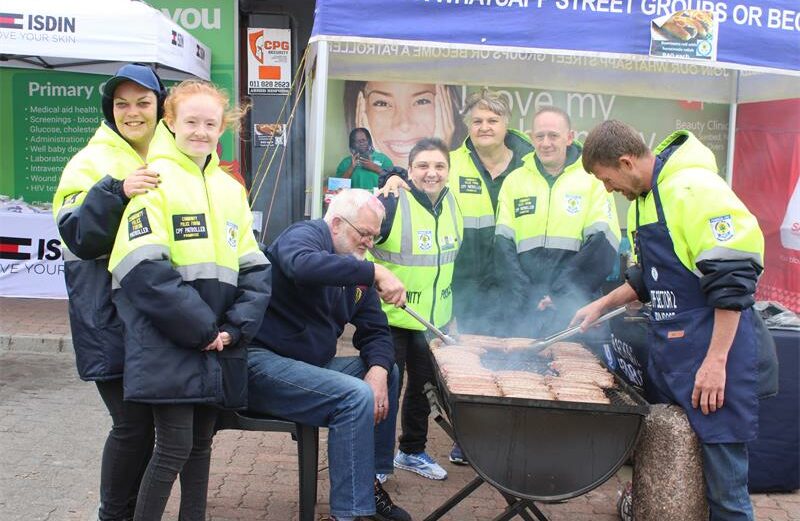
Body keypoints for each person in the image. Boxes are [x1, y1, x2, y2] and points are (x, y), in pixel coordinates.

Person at [572, 120, 778, 521]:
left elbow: (733, 279)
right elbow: (649, 275)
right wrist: (603, 304)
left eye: (606, 179)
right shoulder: (645, 201)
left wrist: (716, 363)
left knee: (727, 493)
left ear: (626, 162)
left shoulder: (695, 189)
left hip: (717, 356)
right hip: (679, 354)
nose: (607, 189)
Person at [107, 80, 271, 521]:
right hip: (168, 341)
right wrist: (203, 330)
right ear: (170, 122)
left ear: (223, 128)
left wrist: (233, 329)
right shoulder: (154, 181)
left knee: (201, 445)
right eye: (191, 121)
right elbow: (141, 268)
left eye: (210, 123)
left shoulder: (230, 189)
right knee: (174, 446)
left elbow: (255, 267)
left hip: (217, 342)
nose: (201, 131)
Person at [380, 89, 533, 465]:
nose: (484, 127)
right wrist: (394, 178)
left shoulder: (527, 164)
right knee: (393, 384)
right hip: (417, 308)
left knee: (438, 381)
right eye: (477, 120)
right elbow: (418, 179)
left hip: (481, 297)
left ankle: (429, 449)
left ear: (507, 124)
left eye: (492, 120)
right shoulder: (446, 171)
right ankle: (379, 463)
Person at [247, 188, 412, 521]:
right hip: (261, 363)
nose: (368, 243)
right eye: (363, 233)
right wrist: (375, 272)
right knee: (353, 397)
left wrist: (378, 370)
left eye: (374, 237)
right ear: (336, 223)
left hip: (310, 366)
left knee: (387, 370)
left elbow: (376, 330)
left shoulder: (357, 269)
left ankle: (370, 481)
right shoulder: (306, 235)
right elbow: (301, 266)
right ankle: (348, 515)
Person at [52, 63, 166, 521]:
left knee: (153, 429)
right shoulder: (91, 161)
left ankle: (136, 510)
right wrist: (116, 190)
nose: (132, 112)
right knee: (132, 425)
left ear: (160, 108)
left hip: (153, 319)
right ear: (109, 109)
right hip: (107, 317)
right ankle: (113, 515)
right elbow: (75, 233)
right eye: (122, 104)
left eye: (143, 102)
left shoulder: (170, 155)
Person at [371, 138, 463, 481]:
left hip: (432, 322)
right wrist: (378, 281)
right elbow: (361, 247)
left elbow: (452, 262)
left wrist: (453, 313)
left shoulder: (453, 204)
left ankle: (411, 451)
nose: (431, 173)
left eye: (439, 166)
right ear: (409, 171)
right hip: (390, 318)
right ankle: (377, 463)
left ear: (448, 172)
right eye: (423, 166)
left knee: (423, 390)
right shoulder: (392, 201)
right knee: (385, 393)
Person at [494, 106, 621, 338]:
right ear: (532, 138)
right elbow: (503, 247)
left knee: (579, 369)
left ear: (570, 137)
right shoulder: (514, 181)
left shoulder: (593, 181)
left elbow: (603, 244)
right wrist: (525, 294)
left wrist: (560, 293)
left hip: (574, 305)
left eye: (553, 135)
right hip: (527, 308)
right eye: (540, 136)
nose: (546, 143)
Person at [344, 81, 467, 169]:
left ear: (449, 107)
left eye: (421, 101)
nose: (403, 124)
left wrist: (439, 154)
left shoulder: (464, 169)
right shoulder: (348, 169)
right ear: (360, 110)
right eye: (382, 103)